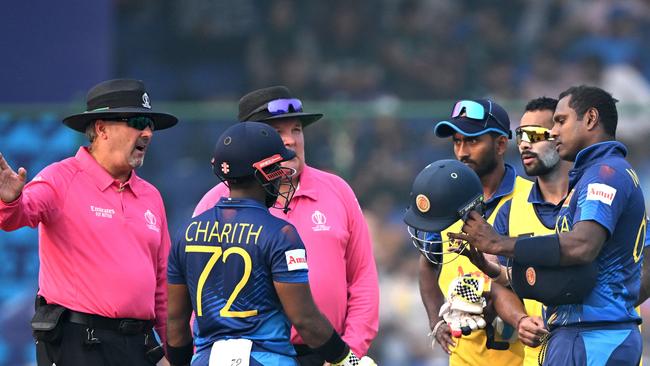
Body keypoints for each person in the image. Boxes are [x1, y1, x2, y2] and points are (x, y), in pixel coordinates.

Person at [450, 85, 645, 365]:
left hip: (593, 338)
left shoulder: (605, 175)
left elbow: (582, 246)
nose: (554, 132)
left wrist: (499, 243)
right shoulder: (597, 176)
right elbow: (569, 276)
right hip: (578, 334)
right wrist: (494, 270)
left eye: (560, 121)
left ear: (590, 119)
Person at [193, 86, 379, 365]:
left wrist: (346, 354)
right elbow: (196, 296)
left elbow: (363, 280)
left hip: (329, 355)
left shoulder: (337, 190)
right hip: (248, 357)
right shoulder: (215, 203)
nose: (290, 141)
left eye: (296, 130)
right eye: (277, 133)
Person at [0, 79, 177, 365]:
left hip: (138, 345)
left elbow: (161, 286)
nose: (147, 132)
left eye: (151, 125)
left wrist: (171, 351)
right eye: (138, 121)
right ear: (101, 128)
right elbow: (18, 216)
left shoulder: (151, 196)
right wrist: (9, 200)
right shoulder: (60, 178)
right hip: (77, 344)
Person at [418, 98, 531, 365]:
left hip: (524, 358)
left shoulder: (532, 199)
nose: (462, 152)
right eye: (457, 142)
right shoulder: (445, 202)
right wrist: (435, 321)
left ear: (501, 144)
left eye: (472, 141)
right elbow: (426, 265)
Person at [461, 97, 570, 366]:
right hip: (538, 356)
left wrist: (614, 310)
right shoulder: (511, 211)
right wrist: (520, 320)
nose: (523, 144)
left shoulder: (598, 194)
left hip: (604, 349)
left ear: (560, 137)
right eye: (521, 135)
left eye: (535, 134)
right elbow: (501, 284)